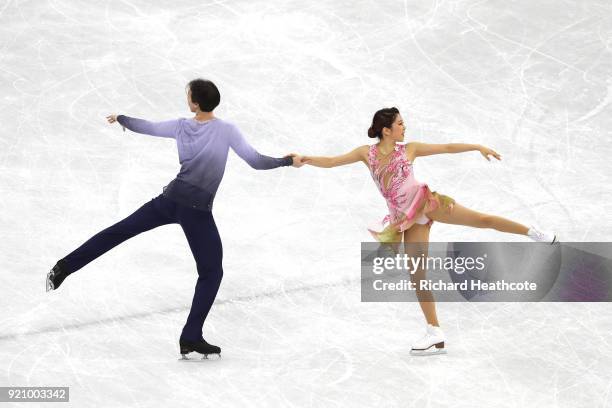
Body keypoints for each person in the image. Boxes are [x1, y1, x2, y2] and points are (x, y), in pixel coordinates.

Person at [46, 78, 306, 360]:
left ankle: (63, 267)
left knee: (119, 231)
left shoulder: (181, 125)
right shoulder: (227, 130)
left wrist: (122, 118)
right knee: (212, 272)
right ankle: (191, 336)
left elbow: (147, 126)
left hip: (170, 201)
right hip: (196, 211)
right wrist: (286, 161)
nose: (186, 100)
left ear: (195, 103)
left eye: (188, 96)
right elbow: (255, 161)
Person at [302, 107, 557, 356]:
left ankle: (533, 232)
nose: (404, 127)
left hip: (428, 204)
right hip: (407, 220)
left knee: (482, 219)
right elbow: (333, 161)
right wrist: (305, 160)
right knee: (417, 275)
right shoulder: (365, 154)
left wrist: (477, 146)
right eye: (400, 123)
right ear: (386, 130)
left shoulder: (409, 149)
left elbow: (446, 148)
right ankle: (434, 331)